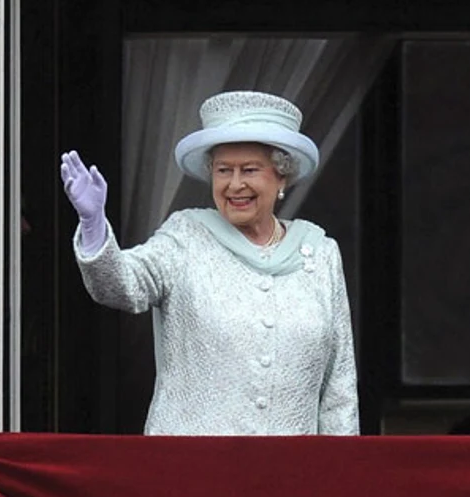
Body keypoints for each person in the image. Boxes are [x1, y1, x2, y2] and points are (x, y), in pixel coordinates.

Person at [58, 91, 359, 436]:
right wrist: (94, 225)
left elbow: (339, 386)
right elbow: (121, 286)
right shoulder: (185, 237)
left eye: (249, 170)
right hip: (192, 462)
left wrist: (342, 463)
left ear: (282, 177)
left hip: (292, 466)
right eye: (223, 170)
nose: (235, 184)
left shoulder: (319, 252)